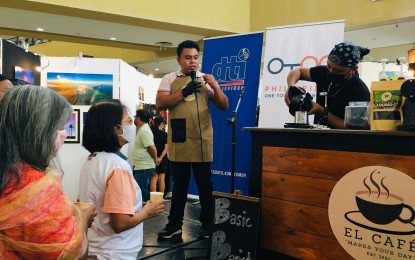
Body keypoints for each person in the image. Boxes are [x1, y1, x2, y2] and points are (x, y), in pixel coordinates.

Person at [0, 85, 96, 259]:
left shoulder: (8, 175)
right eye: (59, 127)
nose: (64, 134)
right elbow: (70, 254)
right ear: (39, 129)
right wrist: (83, 219)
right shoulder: (37, 189)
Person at [156, 40, 228, 239]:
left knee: (205, 186)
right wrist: (183, 92)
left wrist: (215, 85)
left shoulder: (206, 79)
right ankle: (174, 225)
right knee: (180, 186)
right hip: (179, 139)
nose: (192, 62)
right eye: (188, 58)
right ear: (179, 59)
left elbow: (224, 105)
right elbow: (160, 103)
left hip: (202, 139)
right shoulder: (169, 78)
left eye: (196, 58)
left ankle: (207, 224)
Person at [79, 101, 164, 259]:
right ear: (115, 128)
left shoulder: (92, 160)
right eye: (129, 121)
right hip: (114, 251)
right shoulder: (116, 166)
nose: (133, 125)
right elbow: (120, 223)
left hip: (96, 246)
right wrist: (147, 211)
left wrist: (136, 206)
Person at [285, 41, 371, 129]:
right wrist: (291, 87)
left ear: (353, 69)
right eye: (328, 66)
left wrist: (321, 111)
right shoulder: (324, 72)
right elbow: (297, 72)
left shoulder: (360, 91)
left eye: (338, 70)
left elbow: (354, 127)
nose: (331, 72)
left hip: (343, 141)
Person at [132, 109, 158, 202]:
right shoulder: (144, 129)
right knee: (141, 190)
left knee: (142, 191)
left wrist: (155, 159)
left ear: (138, 118)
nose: (134, 120)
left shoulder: (144, 131)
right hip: (142, 166)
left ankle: (146, 210)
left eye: (135, 117)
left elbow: (151, 147)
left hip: (144, 167)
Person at [150, 116, 168, 194]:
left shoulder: (151, 134)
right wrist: (160, 158)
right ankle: (161, 199)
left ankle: (153, 198)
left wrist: (155, 157)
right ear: (161, 124)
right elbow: (166, 148)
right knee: (162, 178)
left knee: (154, 178)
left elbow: (151, 147)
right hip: (163, 159)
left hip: (153, 157)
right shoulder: (165, 134)